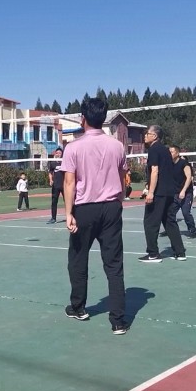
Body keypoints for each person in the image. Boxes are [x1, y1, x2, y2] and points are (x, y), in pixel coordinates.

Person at [61, 98, 129, 335]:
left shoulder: (73, 147)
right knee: (114, 263)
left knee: (78, 258)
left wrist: (68, 213)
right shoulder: (117, 146)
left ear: (83, 119)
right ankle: (118, 320)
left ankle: (78, 307)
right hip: (111, 207)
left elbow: (69, 182)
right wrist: (119, 200)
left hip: (85, 208)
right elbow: (122, 177)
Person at [140, 126, 185, 262]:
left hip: (159, 192)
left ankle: (153, 254)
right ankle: (180, 252)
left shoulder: (154, 149)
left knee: (150, 222)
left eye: (147, 133)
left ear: (154, 136)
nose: (145, 136)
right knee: (169, 221)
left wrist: (151, 192)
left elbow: (155, 171)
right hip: (169, 192)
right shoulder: (165, 150)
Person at [160, 146, 196, 239]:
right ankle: (169, 229)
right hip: (174, 193)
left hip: (186, 193)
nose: (170, 154)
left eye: (172, 152)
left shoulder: (184, 163)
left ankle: (192, 230)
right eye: (169, 152)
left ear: (177, 153)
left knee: (186, 213)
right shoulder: (168, 164)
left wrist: (183, 191)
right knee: (169, 213)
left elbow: (189, 178)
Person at [47, 147, 65, 223]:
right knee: (54, 202)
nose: (58, 154)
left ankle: (72, 216)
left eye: (60, 153)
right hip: (56, 185)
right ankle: (53, 218)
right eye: (57, 153)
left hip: (64, 185)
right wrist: (51, 180)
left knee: (68, 201)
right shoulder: (53, 162)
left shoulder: (65, 161)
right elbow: (50, 172)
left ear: (62, 154)